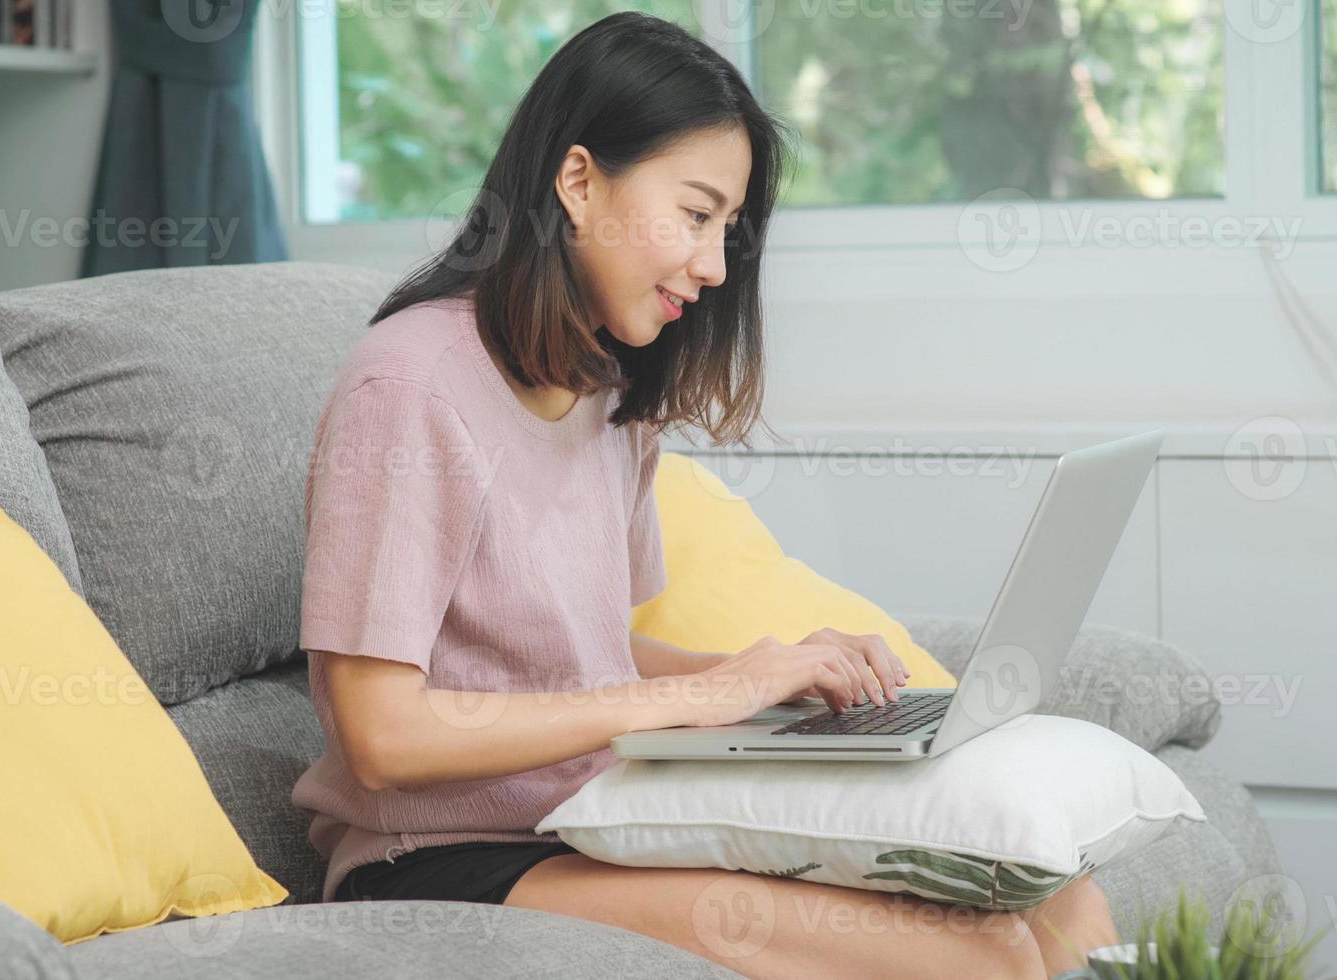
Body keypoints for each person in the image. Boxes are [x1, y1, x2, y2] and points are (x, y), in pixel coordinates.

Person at [290, 12, 1120, 978]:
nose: (716, 267)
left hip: (611, 813)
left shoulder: (610, 391)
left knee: (1050, 885)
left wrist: (769, 678)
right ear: (578, 179)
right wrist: (695, 696)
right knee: (976, 955)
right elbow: (382, 734)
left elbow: (591, 649)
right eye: (695, 215)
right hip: (448, 859)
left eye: (727, 230)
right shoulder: (410, 388)